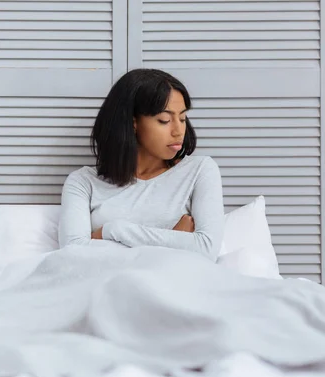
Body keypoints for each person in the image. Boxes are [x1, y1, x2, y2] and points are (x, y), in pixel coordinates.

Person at [58, 68, 224, 261]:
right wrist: (176, 239)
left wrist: (113, 230)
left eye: (182, 118)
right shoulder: (82, 182)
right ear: (132, 122)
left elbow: (206, 249)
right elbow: (72, 256)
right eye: (165, 120)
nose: (179, 131)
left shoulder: (200, 170)